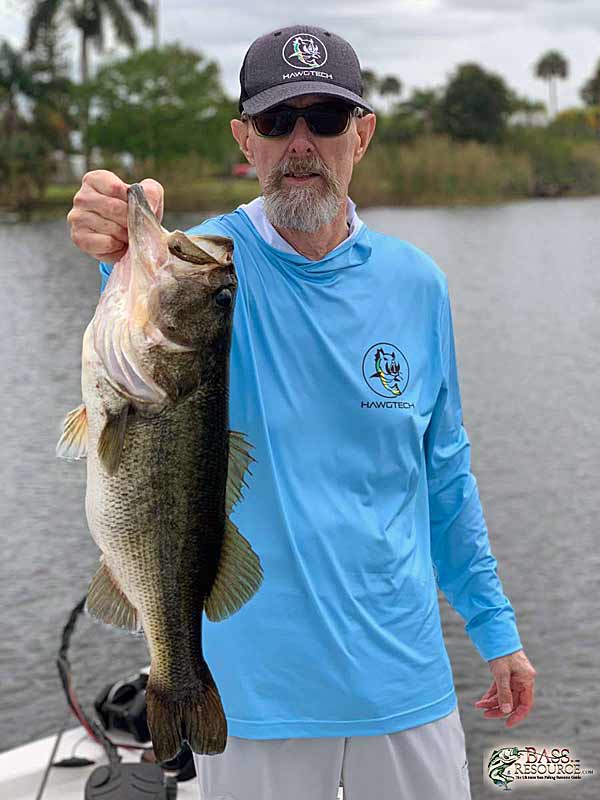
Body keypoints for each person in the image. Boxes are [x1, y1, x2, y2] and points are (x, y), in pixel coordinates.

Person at [67, 24, 536, 800]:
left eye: (326, 118)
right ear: (244, 139)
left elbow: (444, 476)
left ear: (364, 134)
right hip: (251, 701)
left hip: (404, 683)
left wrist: (495, 631)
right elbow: (141, 340)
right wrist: (114, 240)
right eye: (279, 121)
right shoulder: (204, 265)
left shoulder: (417, 285)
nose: (301, 142)